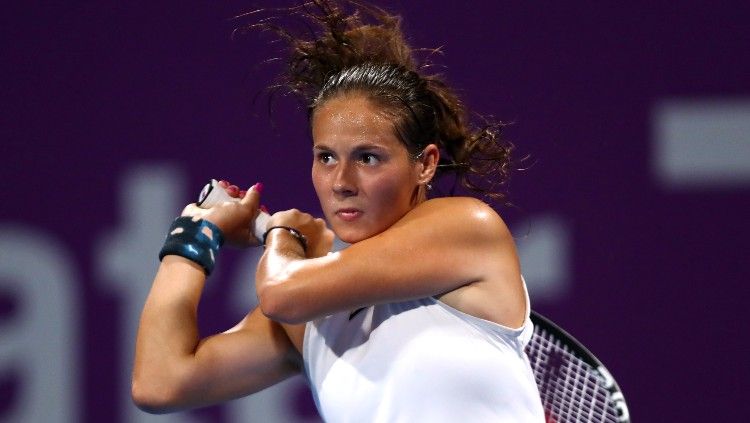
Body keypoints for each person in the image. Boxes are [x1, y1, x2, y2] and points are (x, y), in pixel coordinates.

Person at [132, 0, 545, 421]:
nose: (342, 182)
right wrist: (194, 234)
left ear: (425, 164)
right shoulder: (312, 316)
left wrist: (283, 234)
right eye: (326, 157)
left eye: (368, 158)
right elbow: (161, 382)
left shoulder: (467, 227)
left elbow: (281, 293)